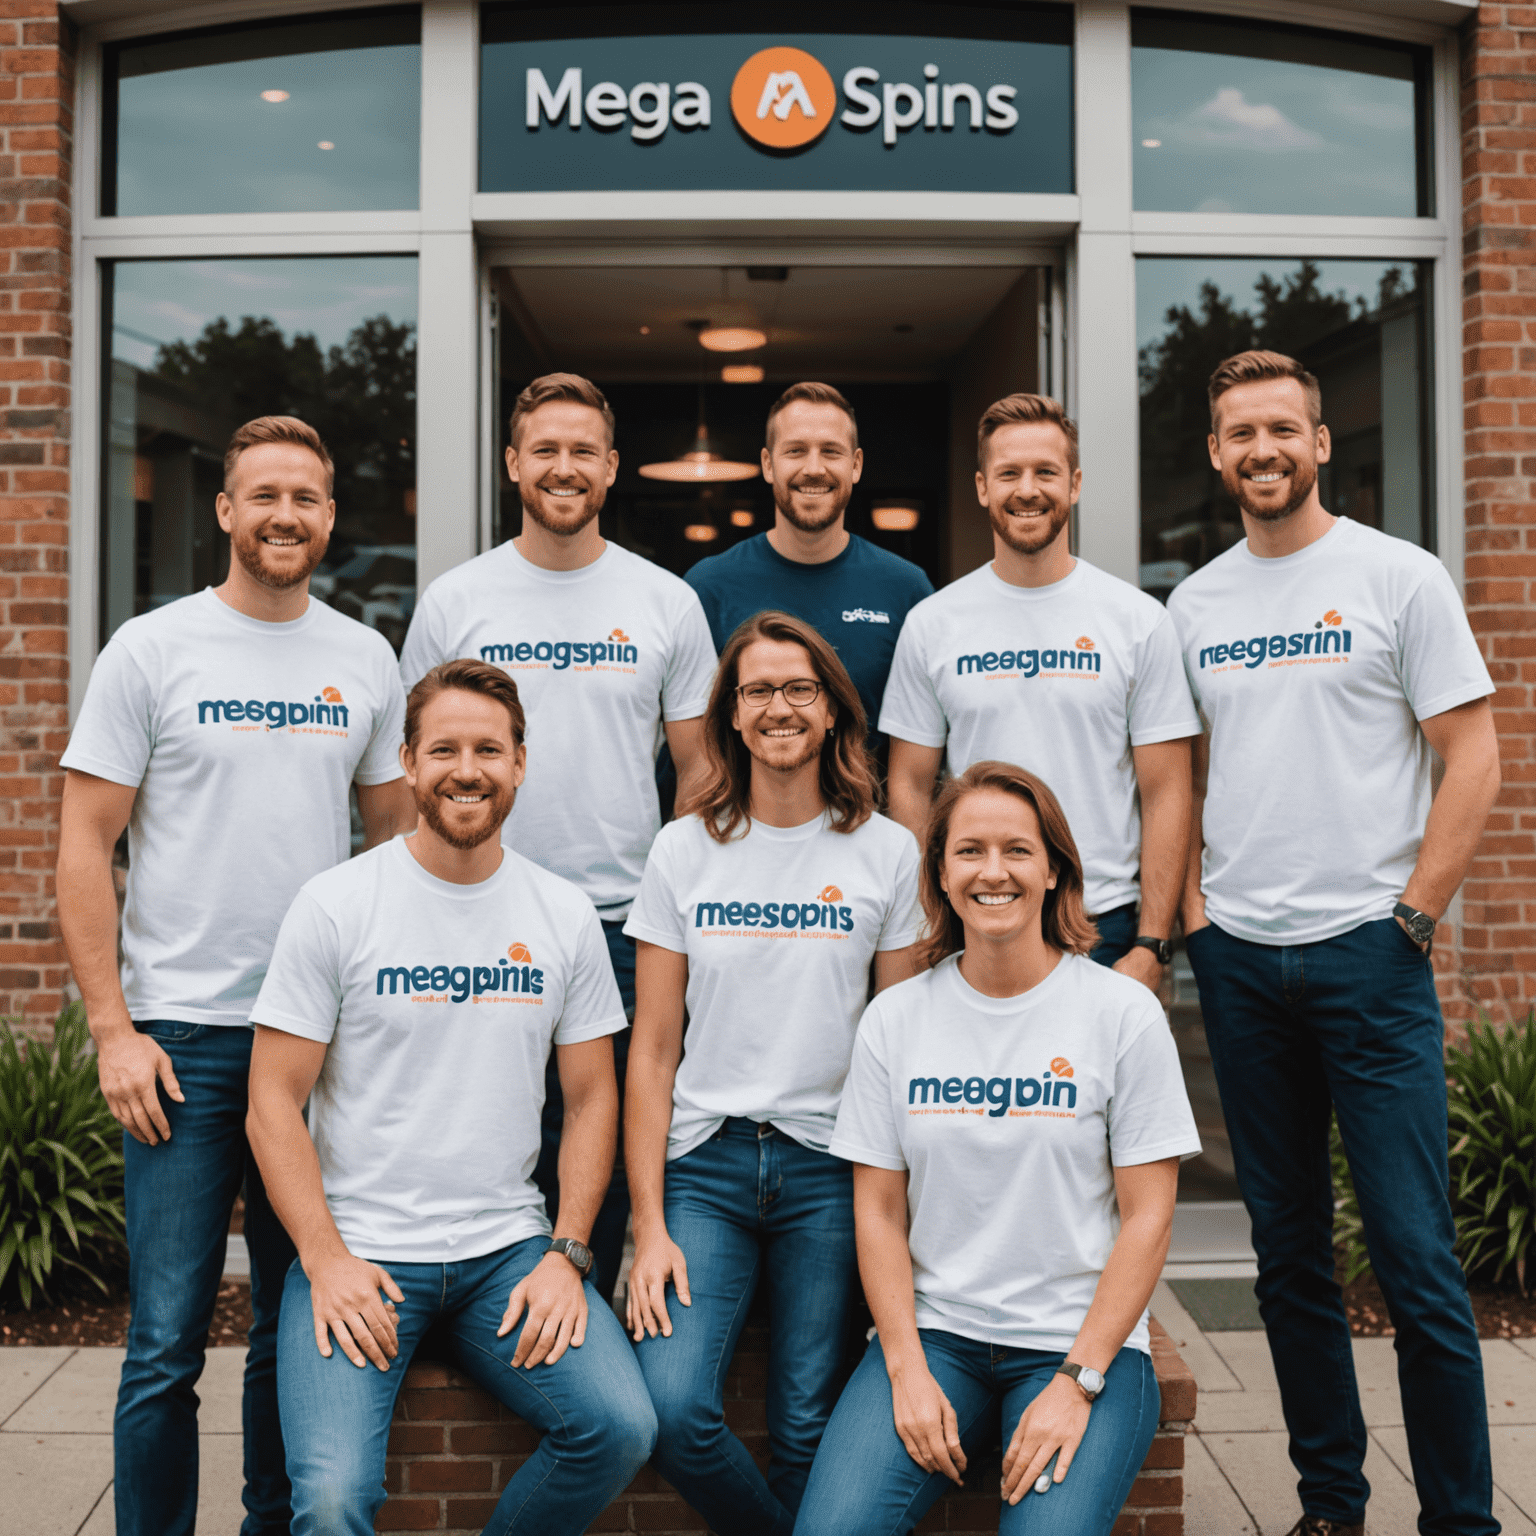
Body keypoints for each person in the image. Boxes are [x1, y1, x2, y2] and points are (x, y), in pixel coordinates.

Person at [56, 416, 415, 1536]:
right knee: (164, 1339)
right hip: (183, 1042)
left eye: (305, 498)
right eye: (263, 495)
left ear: (329, 517)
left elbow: (396, 849)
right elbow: (82, 843)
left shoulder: (363, 658)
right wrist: (115, 1030)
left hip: (315, 1044)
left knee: (284, 1321)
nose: (284, 516)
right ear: (223, 510)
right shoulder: (153, 648)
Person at [1168, 350, 1502, 1536]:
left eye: (1281, 429)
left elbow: (1476, 755)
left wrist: (1414, 913)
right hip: (1245, 964)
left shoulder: (1396, 577)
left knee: (1416, 1265)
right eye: (1238, 433)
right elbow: (1185, 779)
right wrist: (1198, 919)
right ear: (1216, 454)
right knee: (1289, 1263)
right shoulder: (1194, 605)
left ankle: (1461, 1519)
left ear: (1317, 441)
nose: (1260, 450)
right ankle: (1329, 1505)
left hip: (1371, 955)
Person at [245, 659, 657, 1536]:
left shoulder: (563, 913)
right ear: (406, 762)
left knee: (619, 1427)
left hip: (502, 1254)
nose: (465, 769)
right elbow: (271, 1102)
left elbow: (591, 1099)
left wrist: (568, 1253)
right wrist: (322, 1259)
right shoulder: (337, 904)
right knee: (326, 1502)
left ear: (518, 764)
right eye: (443, 750)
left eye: (487, 750)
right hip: (361, 1250)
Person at [795, 761, 1201, 1536]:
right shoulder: (896, 1019)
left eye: (1017, 850)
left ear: (1055, 869)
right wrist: (904, 1370)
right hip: (939, 1336)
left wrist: (1077, 1382)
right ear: (941, 875)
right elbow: (877, 1212)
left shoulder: (1120, 1014)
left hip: (1079, 1343)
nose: (993, 871)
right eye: (969, 850)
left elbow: (1149, 1219)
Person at [399, 372, 717, 1303]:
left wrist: (668, 898)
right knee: (489, 1132)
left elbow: (698, 772)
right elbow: (413, 764)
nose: (564, 467)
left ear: (612, 468)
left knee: (604, 1143)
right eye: (544, 449)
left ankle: (588, 1325)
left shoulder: (665, 602)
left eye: (583, 450)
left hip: (619, 930)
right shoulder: (458, 599)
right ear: (512, 464)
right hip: (478, 917)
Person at [624, 610, 924, 1535]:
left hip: (831, 1170)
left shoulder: (887, 852)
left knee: (802, 1421)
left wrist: (905, 1219)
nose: (780, 706)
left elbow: (903, 1047)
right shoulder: (685, 849)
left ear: (834, 710)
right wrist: (647, 1223)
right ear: (731, 715)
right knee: (672, 1410)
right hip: (705, 1167)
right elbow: (652, 1049)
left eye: (801, 688)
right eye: (758, 690)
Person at [881, 394, 1198, 989]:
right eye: (1009, 473)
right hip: (975, 922)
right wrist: (932, 915)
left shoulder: (1135, 620)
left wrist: (1153, 942)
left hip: (1103, 926)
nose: (1028, 489)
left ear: (1074, 483)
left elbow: (1166, 789)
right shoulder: (934, 622)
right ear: (982, 487)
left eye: (1046, 472)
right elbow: (910, 784)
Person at [685, 381, 933, 757]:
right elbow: (695, 744)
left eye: (831, 452)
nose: (813, 469)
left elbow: (920, 744)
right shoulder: (709, 586)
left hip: (867, 814)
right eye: (796, 451)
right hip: (743, 816)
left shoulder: (905, 588)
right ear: (769, 465)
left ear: (856, 465)